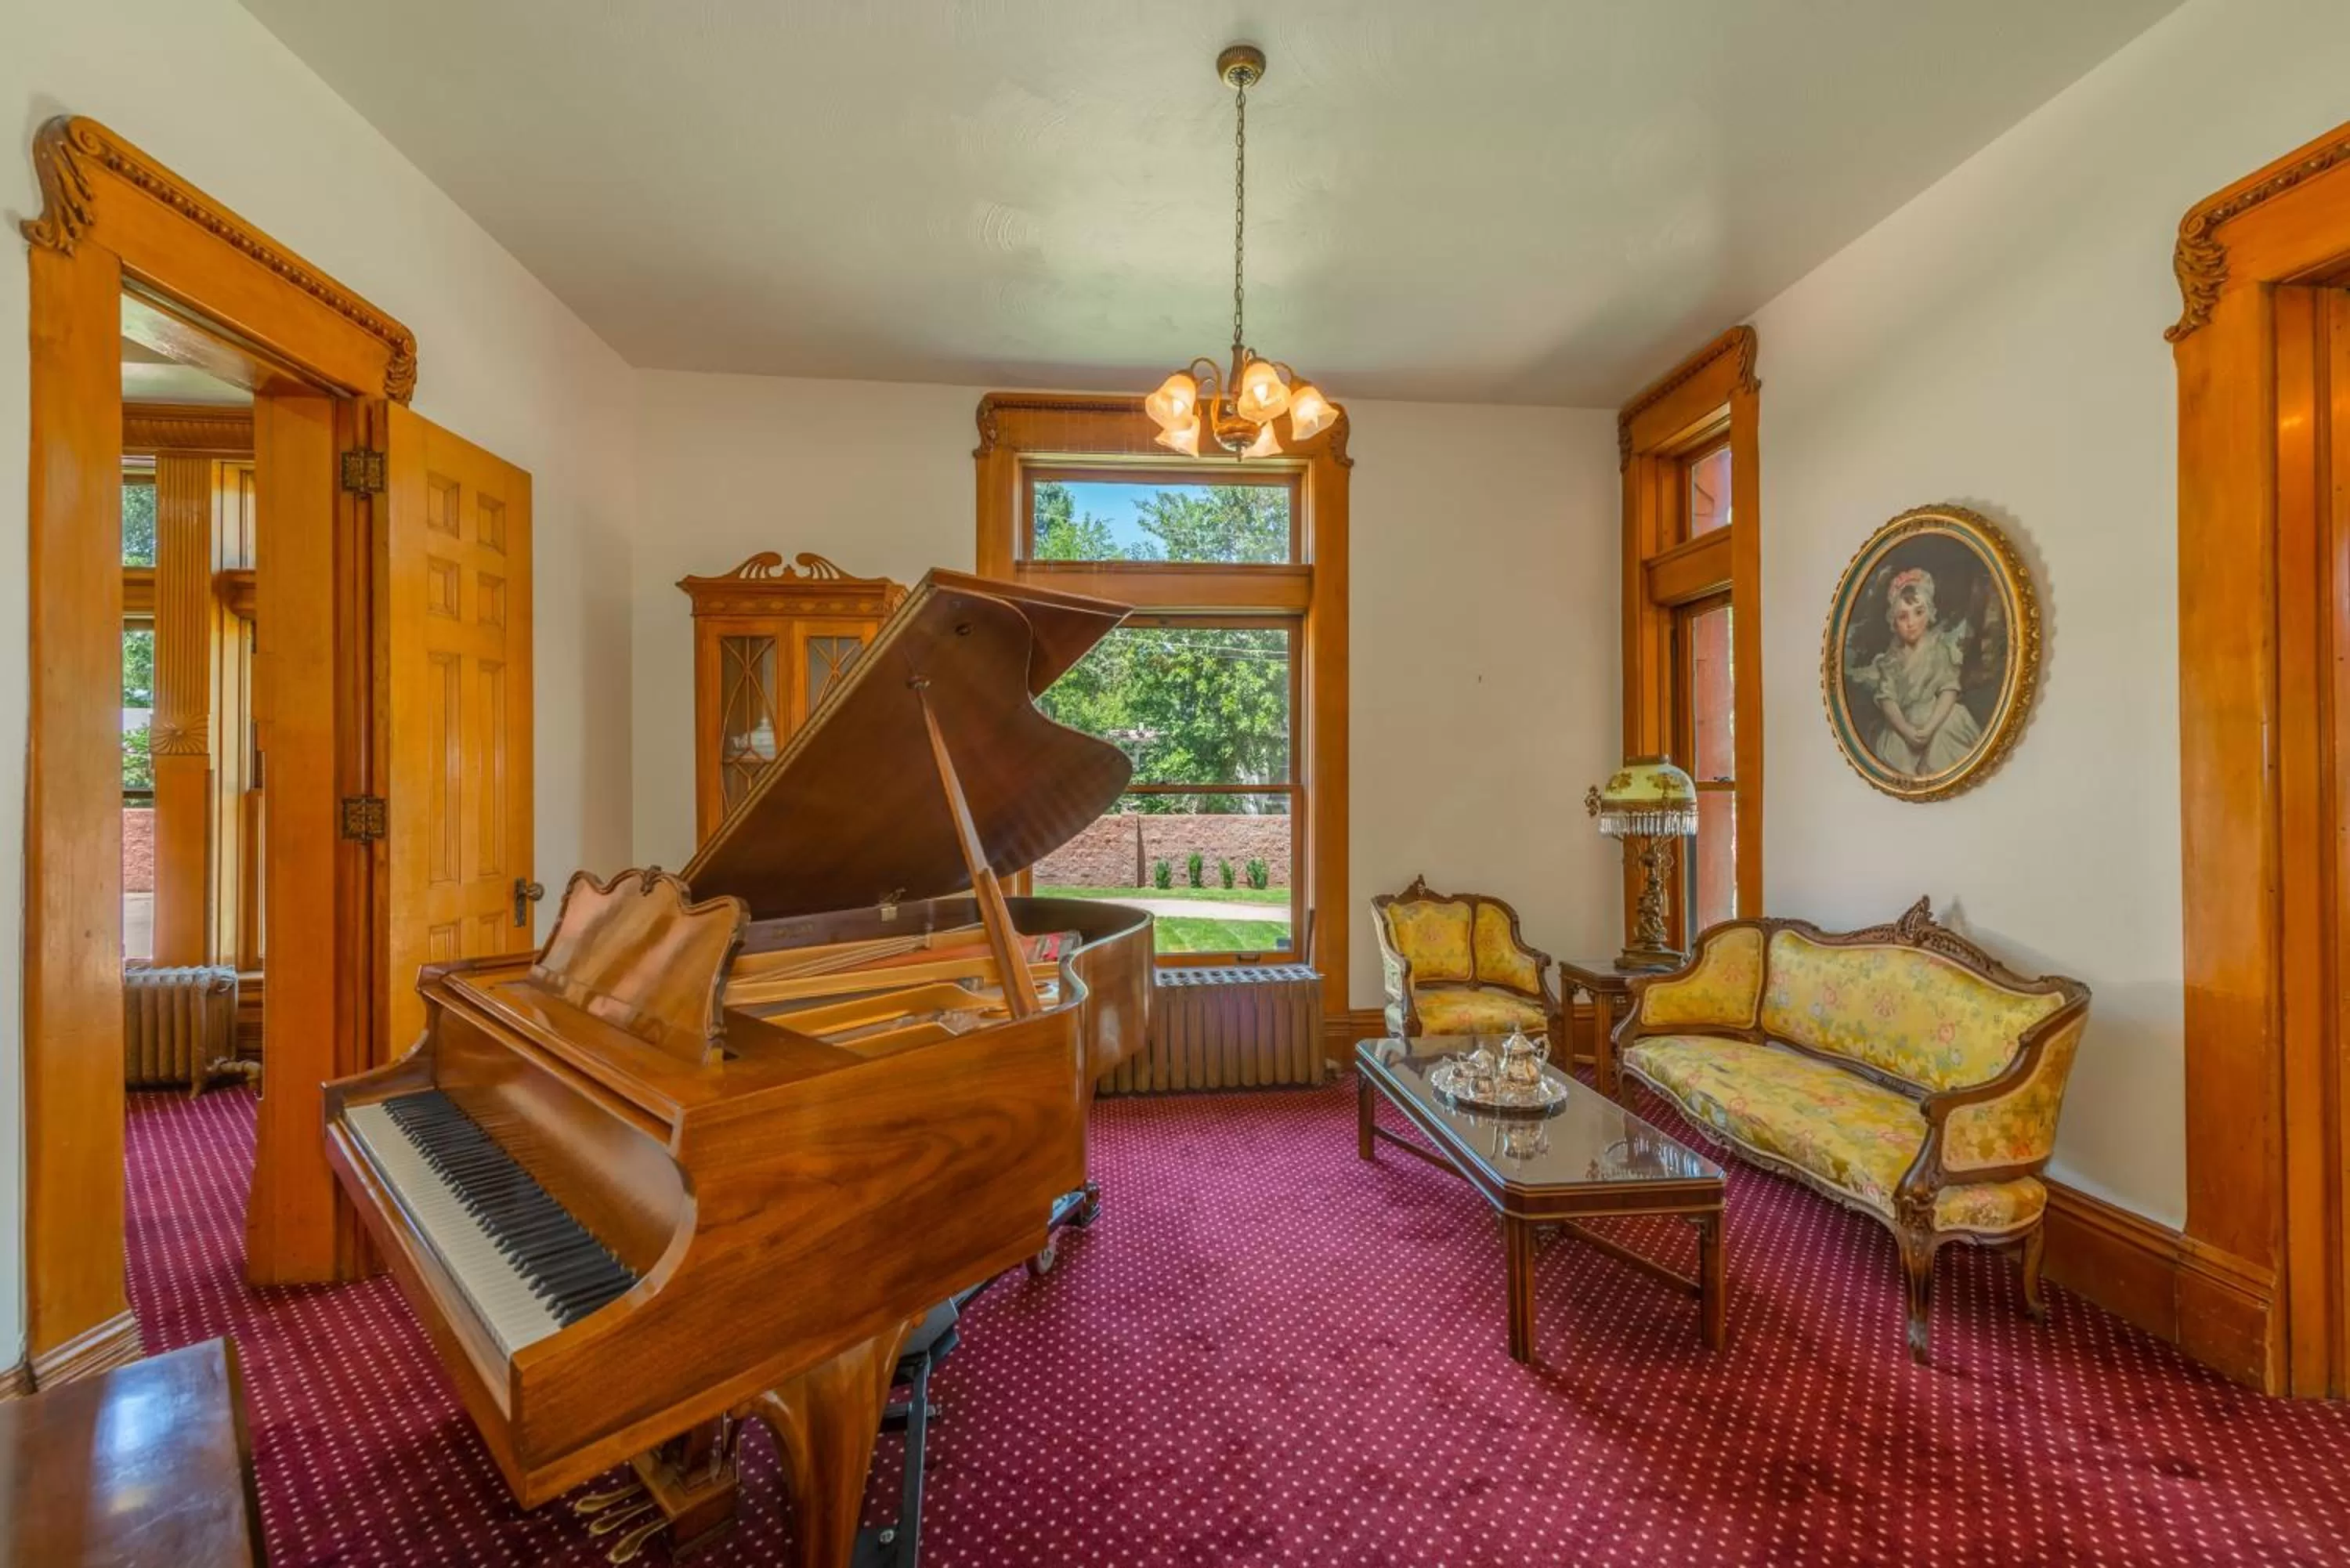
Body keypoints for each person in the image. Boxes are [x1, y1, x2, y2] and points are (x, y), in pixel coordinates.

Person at [1850, 566, 1981, 779]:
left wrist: (1930, 728)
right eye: (1903, 617)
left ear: (1929, 614)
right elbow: (1887, 700)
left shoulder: (1938, 650)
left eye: (1918, 613)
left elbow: (1948, 690)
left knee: (1945, 739)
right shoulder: (1890, 661)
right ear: (1894, 622)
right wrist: (1905, 730)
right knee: (1896, 755)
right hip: (1905, 724)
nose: (1911, 623)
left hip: (1938, 717)